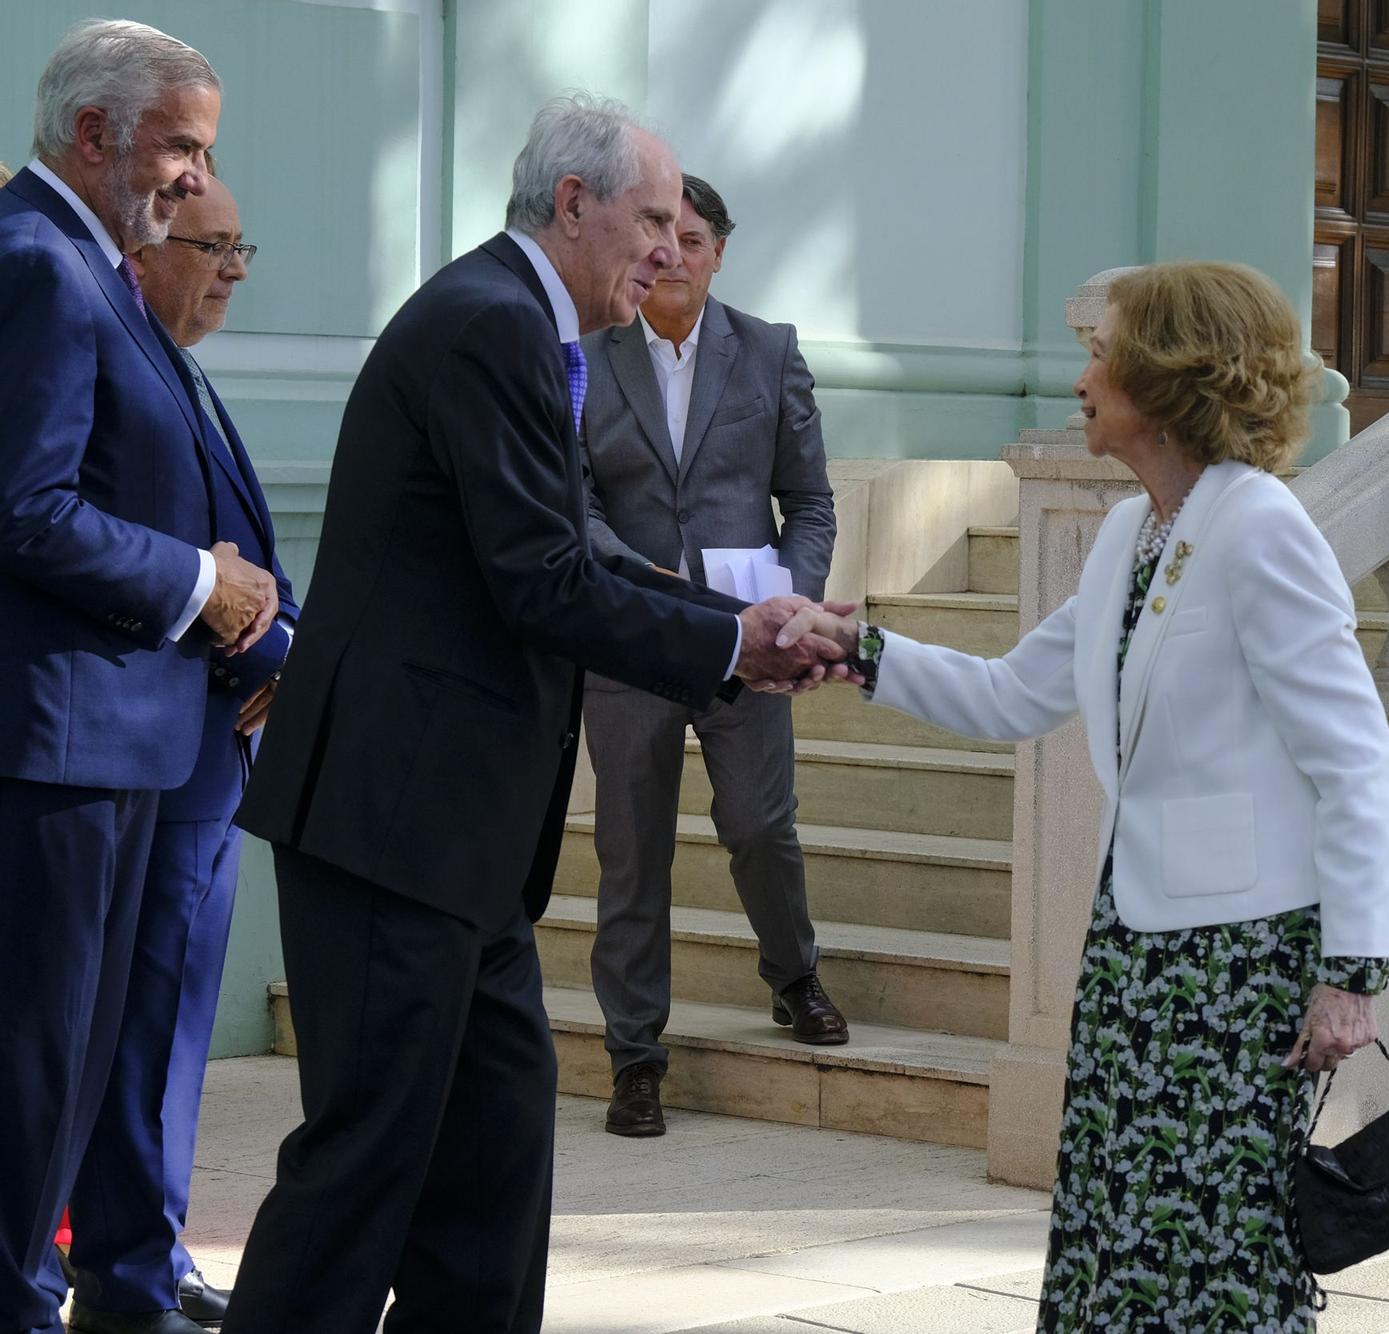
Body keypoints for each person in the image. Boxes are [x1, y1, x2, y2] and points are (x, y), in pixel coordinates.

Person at [222, 95, 851, 1333]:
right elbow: (544, 579)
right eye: (653, 220)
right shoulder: (490, 326)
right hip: (391, 828)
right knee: (365, 1170)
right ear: (574, 205)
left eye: (679, 226)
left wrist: (739, 626)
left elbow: (566, 551)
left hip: (458, 846)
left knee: (496, 1170)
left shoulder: (525, 325)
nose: (672, 250)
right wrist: (725, 641)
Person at [816, 261, 1389, 1331]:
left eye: (1102, 353)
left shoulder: (1260, 527)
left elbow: (1353, 756)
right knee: (1115, 1237)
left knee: (1215, 1252)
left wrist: (1351, 974)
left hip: (1237, 967)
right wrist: (858, 650)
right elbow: (1008, 696)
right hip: (1134, 955)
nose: (1079, 377)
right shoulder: (1133, 534)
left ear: (1170, 375)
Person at [0, 22, 280, 1334]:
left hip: (117, 749)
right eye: (181, 146)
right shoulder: (41, 265)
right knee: (34, 1078)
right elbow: (22, 506)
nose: (191, 177)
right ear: (95, 132)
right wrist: (195, 582)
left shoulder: (88, 266)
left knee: (66, 1080)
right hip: (56, 750)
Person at [65, 164, 294, 1334]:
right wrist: (250, 647)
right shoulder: (112, 366)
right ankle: (126, 1271)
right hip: (156, 744)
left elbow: (250, 550)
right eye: (213, 248)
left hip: (205, 752)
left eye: (242, 247)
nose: (232, 272)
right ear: (145, 255)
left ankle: (140, 1251)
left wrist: (284, 642)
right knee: (139, 1032)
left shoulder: (183, 376)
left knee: (168, 1033)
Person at [580, 174, 844, 1138]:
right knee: (631, 851)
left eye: (694, 239)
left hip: (750, 642)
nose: (675, 255)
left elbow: (808, 502)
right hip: (631, 640)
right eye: (662, 236)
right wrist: (632, 571)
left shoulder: (770, 353)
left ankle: (794, 974)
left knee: (760, 825)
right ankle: (635, 1058)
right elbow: (575, 505)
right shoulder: (586, 356)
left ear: (719, 251)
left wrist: (798, 600)